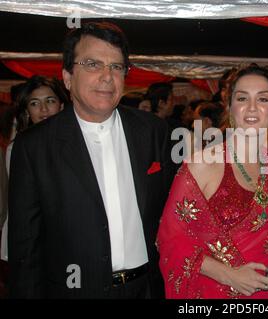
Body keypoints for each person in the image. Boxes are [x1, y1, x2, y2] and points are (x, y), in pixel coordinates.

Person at [8, 22, 173, 298]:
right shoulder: (34, 147)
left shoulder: (154, 131)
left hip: (147, 288)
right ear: (68, 77)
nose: (107, 76)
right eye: (93, 64)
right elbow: (25, 251)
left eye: (117, 67)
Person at [157, 64, 268, 299]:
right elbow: (169, 240)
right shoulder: (203, 164)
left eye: (263, 99)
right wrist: (229, 275)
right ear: (230, 108)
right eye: (242, 98)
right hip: (217, 291)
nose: (252, 108)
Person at [1, 76, 68, 263]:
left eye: (50, 101)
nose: (44, 109)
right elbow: (21, 202)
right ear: (27, 111)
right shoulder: (19, 148)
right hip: (40, 238)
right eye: (35, 103)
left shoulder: (76, 144)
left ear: (62, 106)